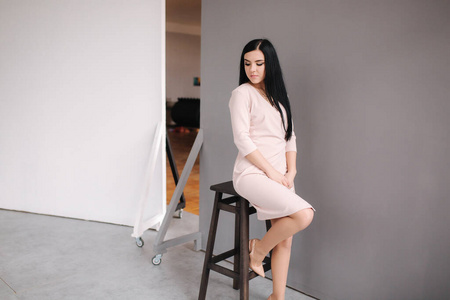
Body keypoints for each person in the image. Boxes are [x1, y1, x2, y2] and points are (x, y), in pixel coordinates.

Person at [229, 39, 315, 300]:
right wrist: (272, 173)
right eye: (247, 63)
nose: (252, 69)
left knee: (286, 240)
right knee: (304, 215)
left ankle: (277, 297)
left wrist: (292, 172)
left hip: (281, 174)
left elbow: (290, 137)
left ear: (270, 64)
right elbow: (242, 139)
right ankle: (257, 250)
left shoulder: (280, 98)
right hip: (252, 173)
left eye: (258, 63)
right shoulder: (242, 93)